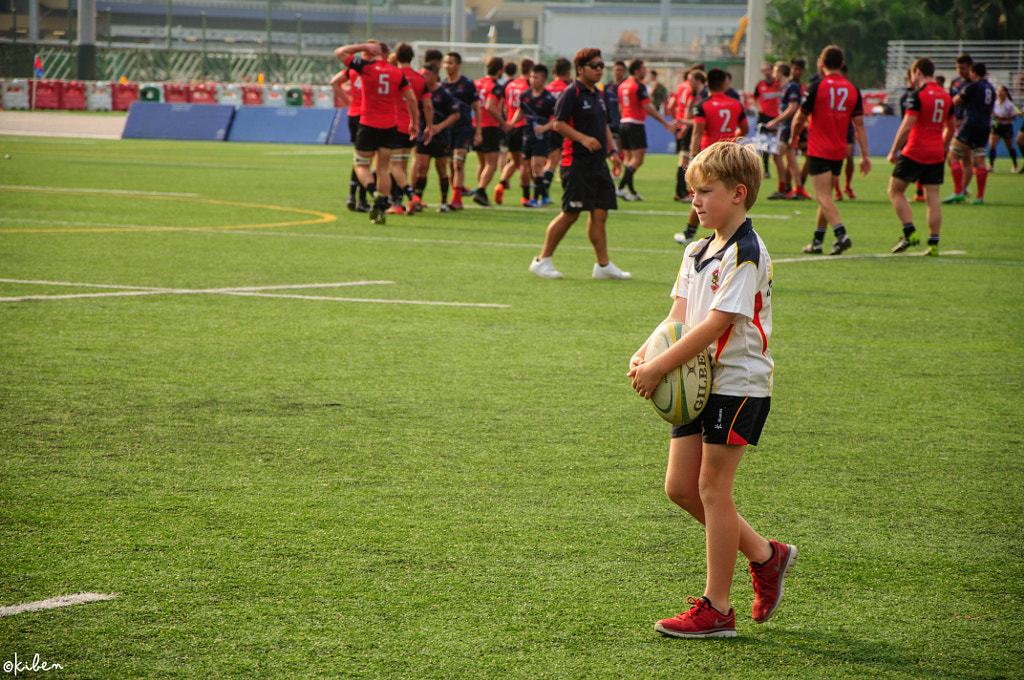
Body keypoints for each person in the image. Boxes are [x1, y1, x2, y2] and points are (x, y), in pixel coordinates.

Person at [628, 141, 794, 639]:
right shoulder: (696, 250)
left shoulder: (746, 251)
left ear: (738, 193)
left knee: (712, 489)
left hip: (738, 382)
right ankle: (768, 556)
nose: (695, 201)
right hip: (698, 382)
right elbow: (679, 318)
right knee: (680, 487)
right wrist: (645, 352)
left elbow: (718, 323)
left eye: (705, 192)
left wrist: (659, 367)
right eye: (692, 193)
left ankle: (717, 608)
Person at [528, 48, 629, 281]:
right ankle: (542, 260)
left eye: (601, 65)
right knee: (571, 213)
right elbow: (558, 124)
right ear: (580, 69)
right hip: (576, 163)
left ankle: (603, 266)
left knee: (600, 213)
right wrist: (583, 138)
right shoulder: (571, 93)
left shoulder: (598, 94)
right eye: (594, 65)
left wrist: (612, 151)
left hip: (598, 164)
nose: (599, 69)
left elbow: (604, 126)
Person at [788, 45, 870, 255]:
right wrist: (865, 156)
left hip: (819, 148)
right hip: (838, 150)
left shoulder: (817, 86)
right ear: (842, 64)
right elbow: (859, 125)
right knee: (827, 198)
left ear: (822, 64)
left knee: (822, 197)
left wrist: (793, 137)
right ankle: (817, 242)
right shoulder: (852, 89)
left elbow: (800, 117)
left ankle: (841, 234)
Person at [335, 41, 418, 225]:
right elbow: (411, 99)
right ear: (388, 53)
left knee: (361, 165)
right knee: (383, 168)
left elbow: (339, 52)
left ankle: (374, 194)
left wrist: (362, 46)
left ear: (372, 52)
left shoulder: (365, 67)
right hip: (390, 126)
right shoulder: (397, 73)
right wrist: (414, 122)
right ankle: (382, 208)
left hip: (368, 123)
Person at [886, 58, 954, 257]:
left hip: (914, 150)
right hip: (935, 153)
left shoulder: (918, 95)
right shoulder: (946, 96)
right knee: (933, 198)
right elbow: (951, 128)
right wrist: (941, 146)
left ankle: (909, 233)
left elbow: (907, 126)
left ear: (917, 72)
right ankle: (933, 244)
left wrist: (893, 150)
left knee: (895, 191)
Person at [673, 68, 747, 247]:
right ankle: (732, 233)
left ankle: (689, 234)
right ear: (724, 84)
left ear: (707, 85)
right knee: (730, 195)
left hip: (709, 157)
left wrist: (692, 157)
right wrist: (730, 138)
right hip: (729, 156)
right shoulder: (736, 104)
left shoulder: (703, 105)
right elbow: (744, 130)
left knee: (701, 195)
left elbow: (697, 132)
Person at [616, 59, 675, 201]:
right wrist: (664, 122)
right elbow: (647, 107)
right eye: (643, 69)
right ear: (636, 71)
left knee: (629, 159)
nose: (645, 72)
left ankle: (631, 191)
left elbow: (620, 106)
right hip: (635, 124)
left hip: (624, 122)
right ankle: (620, 188)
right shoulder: (639, 86)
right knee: (638, 160)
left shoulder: (622, 85)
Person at [389, 42, 434, 215]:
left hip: (392, 125)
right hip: (411, 127)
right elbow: (428, 106)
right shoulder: (420, 78)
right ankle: (397, 204)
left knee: (391, 167)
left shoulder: (394, 75)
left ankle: (408, 197)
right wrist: (428, 126)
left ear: (397, 56)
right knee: (402, 166)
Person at [942, 62, 995, 205]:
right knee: (980, 160)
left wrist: (946, 109)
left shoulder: (973, 86)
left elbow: (956, 102)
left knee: (952, 156)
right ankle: (979, 197)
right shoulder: (991, 88)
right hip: (985, 126)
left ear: (974, 73)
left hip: (970, 124)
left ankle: (959, 192)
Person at [411, 63, 460, 213]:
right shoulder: (418, 92)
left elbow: (456, 114)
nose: (424, 78)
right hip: (423, 136)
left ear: (435, 76)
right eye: (422, 74)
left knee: (441, 169)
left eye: (427, 75)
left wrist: (439, 127)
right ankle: (418, 201)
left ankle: (444, 202)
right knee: (421, 168)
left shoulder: (443, 94)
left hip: (441, 137)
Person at [510, 62, 558, 207]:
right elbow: (521, 111)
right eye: (531, 77)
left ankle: (536, 199)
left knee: (537, 166)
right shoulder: (526, 94)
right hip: (527, 135)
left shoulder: (549, 98)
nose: (532, 80)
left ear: (544, 79)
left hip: (541, 138)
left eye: (536, 77)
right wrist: (511, 123)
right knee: (526, 167)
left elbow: (558, 118)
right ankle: (544, 197)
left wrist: (545, 127)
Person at [442, 52, 482, 211]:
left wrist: (478, 131)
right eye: (445, 63)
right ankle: (458, 191)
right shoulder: (442, 86)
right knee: (451, 165)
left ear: (458, 65)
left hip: (464, 129)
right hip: (447, 130)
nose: (447, 66)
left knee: (459, 163)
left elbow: (477, 108)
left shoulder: (467, 84)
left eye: (450, 63)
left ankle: (456, 199)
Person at [495, 58, 534, 206]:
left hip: (510, 126)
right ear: (530, 71)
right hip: (523, 126)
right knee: (525, 164)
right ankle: (525, 197)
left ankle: (500, 184)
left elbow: (505, 107)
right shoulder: (528, 87)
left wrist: (508, 123)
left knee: (514, 161)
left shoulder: (510, 85)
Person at [472, 57, 510, 206]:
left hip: (476, 125)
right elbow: (490, 106)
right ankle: (481, 191)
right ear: (500, 71)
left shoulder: (477, 83)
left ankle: (481, 191)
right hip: (489, 126)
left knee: (482, 163)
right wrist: (503, 122)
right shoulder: (496, 86)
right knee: (491, 164)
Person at [330, 66, 369, 212]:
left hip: (353, 114)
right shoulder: (374, 70)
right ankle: (362, 199)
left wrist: (349, 102)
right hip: (368, 116)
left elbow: (334, 82)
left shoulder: (352, 69)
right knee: (368, 159)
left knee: (359, 157)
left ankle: (353, 195)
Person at [765, 63, 801, 200]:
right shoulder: (786, 87)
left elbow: (792, 108)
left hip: (788, 127)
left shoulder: (792, 87)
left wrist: (776, 121)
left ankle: (783, 188)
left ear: (780, 73)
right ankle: (797, 189)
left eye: (775, 71)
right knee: (791, 159)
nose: (773, 75)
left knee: (777, 155)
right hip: (785, 127)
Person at [753, 62, 780, 177]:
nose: (766, 72)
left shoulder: (778, 83)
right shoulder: (760, 84)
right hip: (764, 116)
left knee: (776, 144)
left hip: (776, 117)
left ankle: (780, 170)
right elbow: (755, 98)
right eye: (764, 70)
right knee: (764, 144)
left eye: (768, 69)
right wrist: (758, 107)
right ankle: (766, 170)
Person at [987, 86, 1018, 173]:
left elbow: (1014, 116)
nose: (999, 93)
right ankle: (991, 165)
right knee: (992, 145)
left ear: (1006, 93)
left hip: (1006, 126)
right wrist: (994, 117)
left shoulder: (1009, 105)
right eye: (998, 91)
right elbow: (991, 113)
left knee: (1010, 147)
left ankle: (1015, 165)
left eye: (1001, 91)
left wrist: (1004, 118)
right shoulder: (995, 103)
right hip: (997, 126)